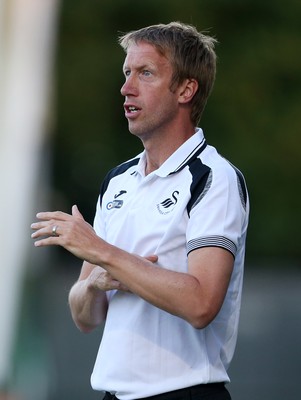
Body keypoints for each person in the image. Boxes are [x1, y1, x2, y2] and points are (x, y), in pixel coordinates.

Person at [31, 22, 249, 400]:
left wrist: (103, 253)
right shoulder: (118, 181)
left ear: (185, 89)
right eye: (126, 73)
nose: (126, 87)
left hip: (186, 392)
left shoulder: (215, 178)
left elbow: (201, 305)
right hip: (113, 394)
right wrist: (95, 284)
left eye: (145, 73)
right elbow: (84, 317)